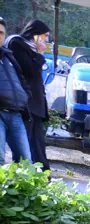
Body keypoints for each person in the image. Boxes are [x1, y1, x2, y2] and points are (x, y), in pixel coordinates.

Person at [6, 19, 51, 171]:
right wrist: (39, 53)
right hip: (26, 104)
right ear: (35, 35)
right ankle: (23, 178)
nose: (46, 39)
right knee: (26, 146)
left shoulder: (29, 49)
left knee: (38, 144)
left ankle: (42, 178)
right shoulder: (17, 44)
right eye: (44, 35)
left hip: (36, 106)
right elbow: (28, 71)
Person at [0, 16, 32, 164]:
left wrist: (26, 96)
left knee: (26, 162)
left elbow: (22, 80)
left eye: (1, 33)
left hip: (16, 114)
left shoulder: (9, 57)